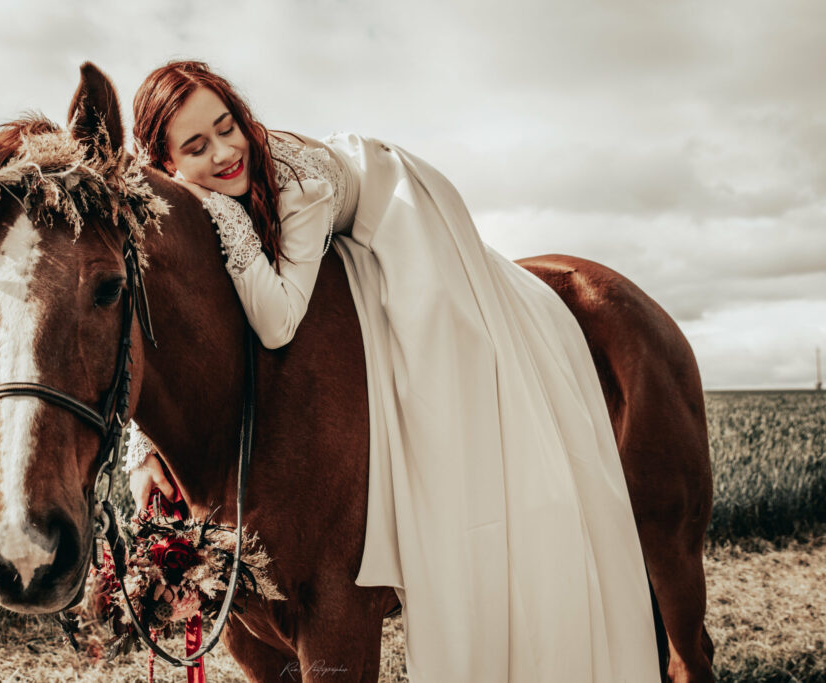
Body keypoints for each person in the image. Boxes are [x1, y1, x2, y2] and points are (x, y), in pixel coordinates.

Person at [124, 60, 661, 682]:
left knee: (433, 341)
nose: (224, 152)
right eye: (196, 146)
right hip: (310, 220)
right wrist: (145, 451)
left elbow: (276, 322)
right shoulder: (183, 209)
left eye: (227, 127)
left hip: (394, 208)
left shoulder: (295, 183)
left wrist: (212, 209)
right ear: (165, 166)